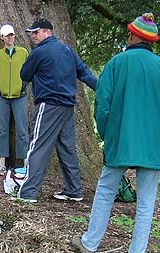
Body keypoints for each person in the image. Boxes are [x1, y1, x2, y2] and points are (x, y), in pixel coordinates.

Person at [70, 13, 160, 253]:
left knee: (105, 191)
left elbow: (102, 104)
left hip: (121, 140)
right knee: (146, 202)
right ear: (151, 41)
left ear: (133, 35)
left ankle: (90, 243)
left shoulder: (116, 63)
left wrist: (107, 134)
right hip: (153, 145)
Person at [13, 18, 97, 203]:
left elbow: (24, 74)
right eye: (32, 33)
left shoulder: (39, 52)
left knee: (37, 147)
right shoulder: (67, 50)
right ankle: (74, 190)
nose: (33, 36)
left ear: (48, 32)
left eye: (36, 32)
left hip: (48, 105)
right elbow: (84, 73)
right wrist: (102, 88)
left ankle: (27, 193)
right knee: (67, 148)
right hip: (67, 106)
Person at [0, 24, 30, 175]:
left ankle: (25, 163)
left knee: (22, 129)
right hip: (3, 97)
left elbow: (28, 71)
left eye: (12, 34)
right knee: (1, 129)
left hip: (20, 96)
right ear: (2, 37)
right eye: (7, 35)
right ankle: (1, 164)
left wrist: (23, 86)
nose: (10, 37)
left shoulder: (23, 52)